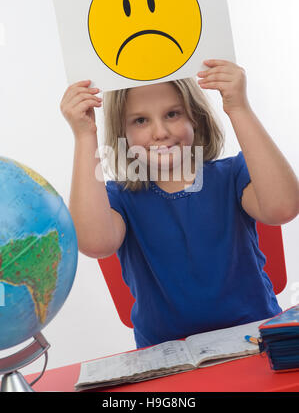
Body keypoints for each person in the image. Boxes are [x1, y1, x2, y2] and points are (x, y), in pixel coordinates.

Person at [60, 59, 299, 349]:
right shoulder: (119, 198)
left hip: (255, 342)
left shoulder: (233, 175)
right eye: (140, 120)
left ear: (195, 118)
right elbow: (94, 243)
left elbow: (283, 208)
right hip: (167, 355)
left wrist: (239, 108)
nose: (160, 132)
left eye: (172, 114)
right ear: (123, 134)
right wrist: (85, 135)